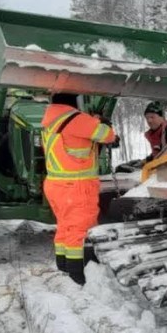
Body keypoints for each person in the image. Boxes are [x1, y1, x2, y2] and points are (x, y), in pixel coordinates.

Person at [41, 92, 118, 285]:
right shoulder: (77, 119)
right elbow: (108, 136)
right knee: (81, 230)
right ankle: (79, 276)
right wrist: (103, 123)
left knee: (65, 226)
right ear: (74, 101)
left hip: (56, 184)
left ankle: (63, 267)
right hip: (76, 186)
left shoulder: (50, 121)